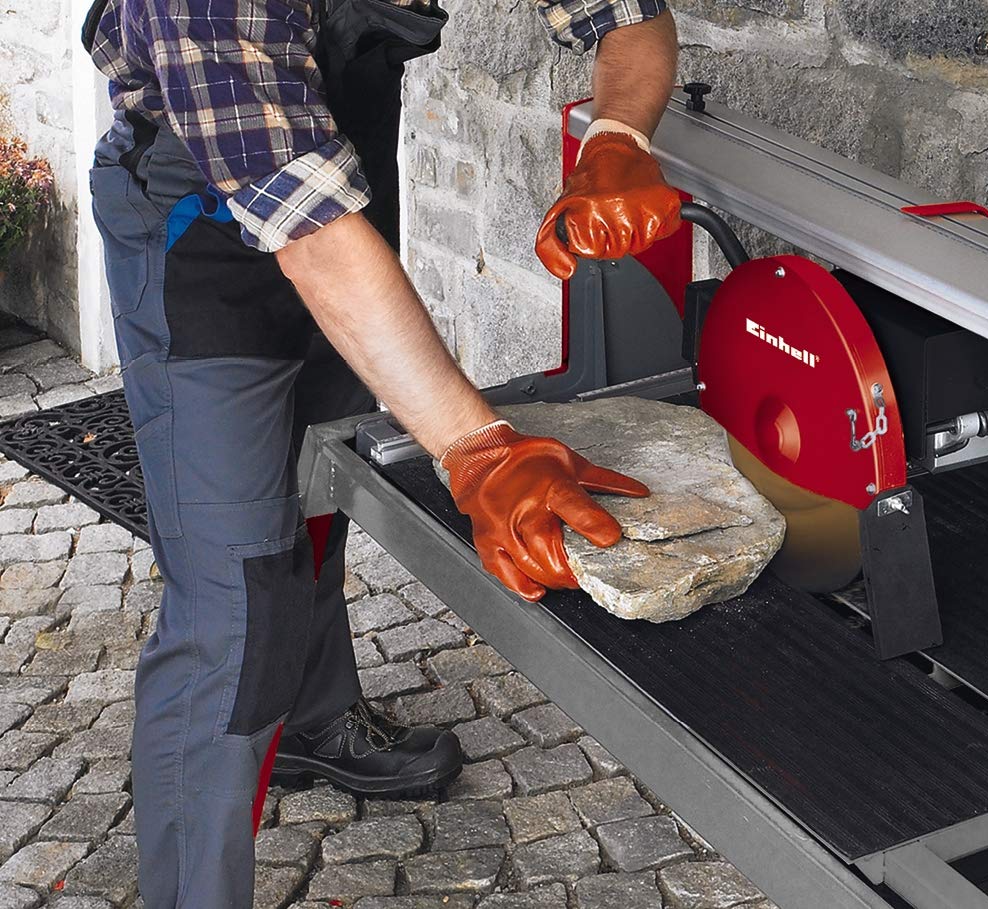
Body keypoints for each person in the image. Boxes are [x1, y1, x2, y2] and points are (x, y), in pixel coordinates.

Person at [82, 0, 682, 904]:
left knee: (321, 490)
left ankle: (314, 720)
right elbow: (312, 241)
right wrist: (479, 450)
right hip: (195, 234)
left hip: (340, 182)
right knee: (234, 598)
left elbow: (629, 15)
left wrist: (617, 137)